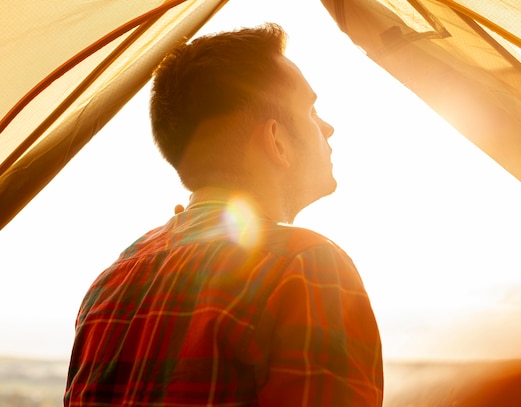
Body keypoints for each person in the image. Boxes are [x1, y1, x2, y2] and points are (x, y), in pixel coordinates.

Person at [64, 23, 384, 406]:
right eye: (311, 110)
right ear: (277, 141)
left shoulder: (110, 283)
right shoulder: (305, 266)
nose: (328, 127)